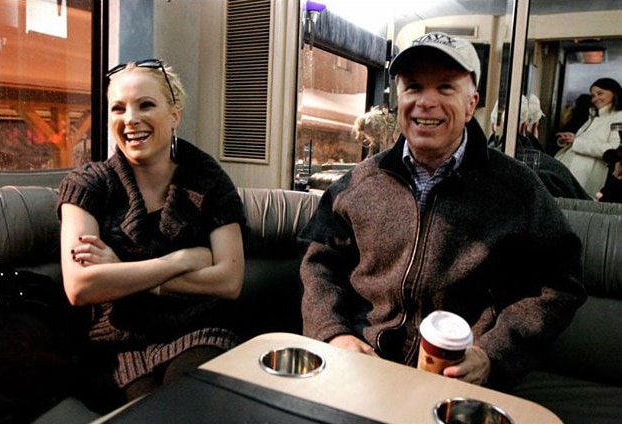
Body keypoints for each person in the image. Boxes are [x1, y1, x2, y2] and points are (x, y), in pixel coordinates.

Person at [298, 32, 586, 390]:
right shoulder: (358, 184)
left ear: (471, 104)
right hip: (362, 367)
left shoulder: (519, 189)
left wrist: (492, 354)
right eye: (414, 86)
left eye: (445, 88)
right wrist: (334, 334)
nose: (426, 102)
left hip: (458, 380)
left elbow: (560, 285)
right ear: (398, 100)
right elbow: (320, 264)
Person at [56, 58, 246, 412]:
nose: (130, 119)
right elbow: (81, 287)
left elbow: (228, 280)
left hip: (200, 332)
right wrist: (181, 259)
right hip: (117, 345)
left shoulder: (209, 180)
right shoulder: (87, 184)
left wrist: (122, 270)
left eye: (146, 104)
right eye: (118, 108)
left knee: (191, 406)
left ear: (174, 115)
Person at [555, 78, 622, 197]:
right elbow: (586, 141)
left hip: (586, 176)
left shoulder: (618, 117)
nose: (595, 98)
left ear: (614, 93)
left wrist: (576, 142)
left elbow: (614, 150)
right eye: (593, 95)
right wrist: (571, 139)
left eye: (600, 93)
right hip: (569, 173)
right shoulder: (595, 117)